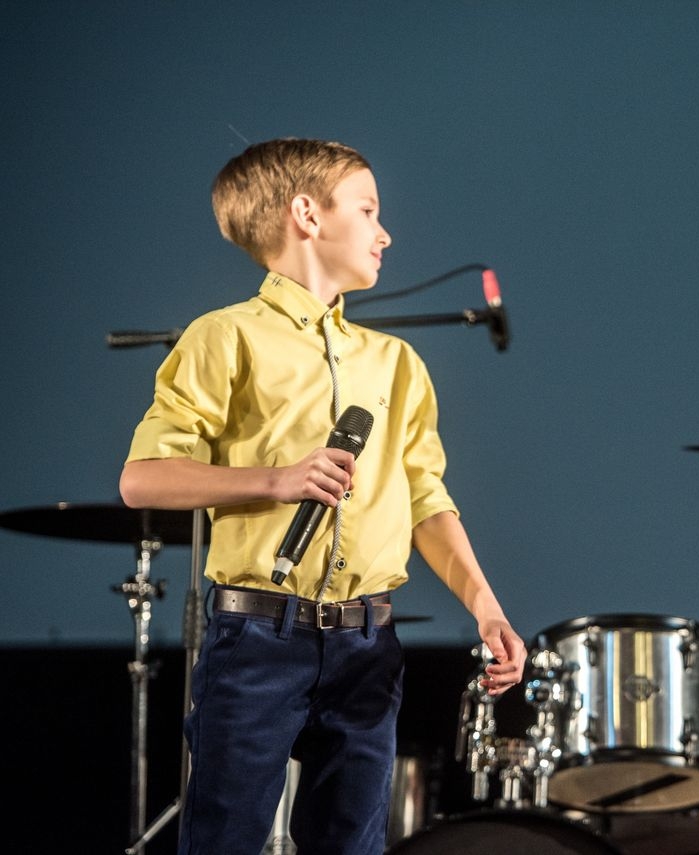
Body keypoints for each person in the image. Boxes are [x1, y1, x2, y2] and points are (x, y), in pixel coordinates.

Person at [119, 137, 527, 855]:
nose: (384, 232)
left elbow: (427, 496)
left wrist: (486, 606)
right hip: (256, 638)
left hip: (367, 642)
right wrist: (275, 479)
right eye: (367, 210)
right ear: (307, 214)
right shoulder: (224, 337)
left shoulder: (396, 363)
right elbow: (142, 477)